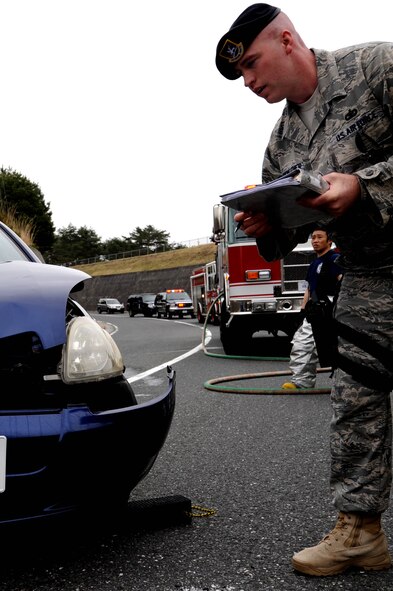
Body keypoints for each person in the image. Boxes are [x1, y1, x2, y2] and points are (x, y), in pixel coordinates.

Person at [215, 3, 393, 577]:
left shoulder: (376, 67)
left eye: (252, 65)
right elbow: (284, 235)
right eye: (240, 76)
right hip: (369, 274)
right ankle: (360, 531)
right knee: (356, 398)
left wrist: (362, 188)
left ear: (287, 41)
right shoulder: (282, 145)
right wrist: (268, 231)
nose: (249, 82)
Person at [281, 226, 343, 390]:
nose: (315, 241)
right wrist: (302, 311)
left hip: (332, 309)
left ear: (329, 240)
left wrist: (337, 305)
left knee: (338, 346)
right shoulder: (314, 262)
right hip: (314, 310)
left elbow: (343, 282)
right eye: (313, 237)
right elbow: (309, 288)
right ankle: (301, 382)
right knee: (302, 343)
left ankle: (346, 384)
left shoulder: (335, 259)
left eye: (319, 237)